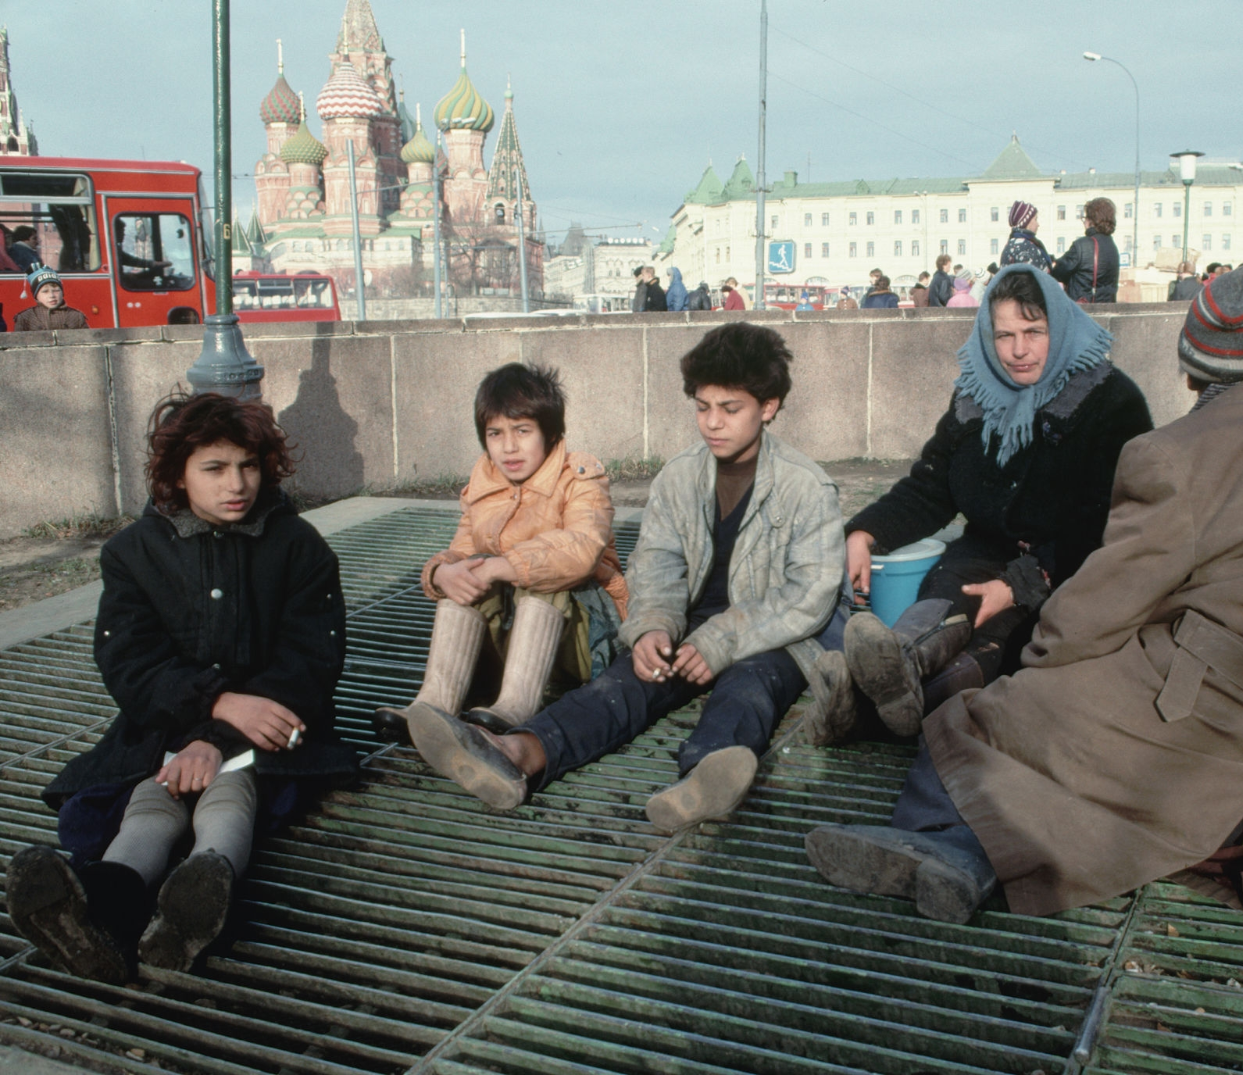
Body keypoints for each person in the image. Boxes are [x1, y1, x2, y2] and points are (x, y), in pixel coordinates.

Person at [805, 267, 1243, 932]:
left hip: (1189, 707)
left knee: (975, 720)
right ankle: (1206, 825)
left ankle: (953, 851)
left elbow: (1098, 609)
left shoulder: (1177, 452)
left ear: (1198, 368)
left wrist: (1041, 672)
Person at [401, 323, 850, 831]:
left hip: (777, 632)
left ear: (767, 408)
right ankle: (519, 751)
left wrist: (722, 641)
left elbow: (809, 594)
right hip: (694, 620)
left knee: (749, 687)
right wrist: (653, 626)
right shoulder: (680, 475)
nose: (712, 423)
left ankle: (701, 778)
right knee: (627, 679)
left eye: (730, 409)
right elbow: (658, 562)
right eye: (703, 407)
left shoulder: (806, 485)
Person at [6, 393, 358, 983]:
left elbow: (311, 662)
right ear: (177, 473)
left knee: (230, 791)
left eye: (249, 465)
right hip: (164, 722)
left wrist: (219, 738)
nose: (237, 484)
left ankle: (199, 892)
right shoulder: (132, 553)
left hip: (271, 725)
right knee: (153, 797)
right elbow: (130, 660)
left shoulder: (299, 548)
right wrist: (212, 707)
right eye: (214, 468)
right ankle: (103, 903)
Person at [806, 263, 1152, 749]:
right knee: (950, 590)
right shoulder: (976, 392)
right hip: (984, 549)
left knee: (1003, 634)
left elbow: (1116, 519)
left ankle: (863, 713)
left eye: (1034, 332)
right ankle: (900, 661)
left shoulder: (1112, 401)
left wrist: (1022, 584)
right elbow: (932, 486)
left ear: (1061, 324)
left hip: (1072, 566)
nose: (1017, 350)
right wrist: (865, 532)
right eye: (1004, 334)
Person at [374, 363, 630, 752]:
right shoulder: (484, 484)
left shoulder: (580, 478)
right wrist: (442, 573)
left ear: (550, 432)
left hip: (585, 639)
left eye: (522, 431)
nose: (508, 447)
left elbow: (581, 548)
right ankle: (434, 705)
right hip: (515, 640)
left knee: (542, 573)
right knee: (470, 570)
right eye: (496, 434)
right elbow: (460, 549)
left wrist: (504, 565)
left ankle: (517, 706)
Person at [1051, 197, 1120, 304]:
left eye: (1085, 218)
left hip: (1083, 310)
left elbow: (1057, 273)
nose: (1084, 223)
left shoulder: (1082, 246)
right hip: (1106, 309)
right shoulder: (1112, 247)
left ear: (1092, 221)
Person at [13, 267, 89, 331]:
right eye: (45, 291)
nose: (52, 295)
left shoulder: (76, 316)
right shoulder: (25, 317)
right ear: (36, 296)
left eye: (56, 290)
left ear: (62, 292)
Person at [1000, 201, 1052, 271]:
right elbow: (1032, 278)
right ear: (1026, 222)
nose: (1038, 224)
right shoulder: (1026, 246)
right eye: (1035, 219)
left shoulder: (1010, 243)